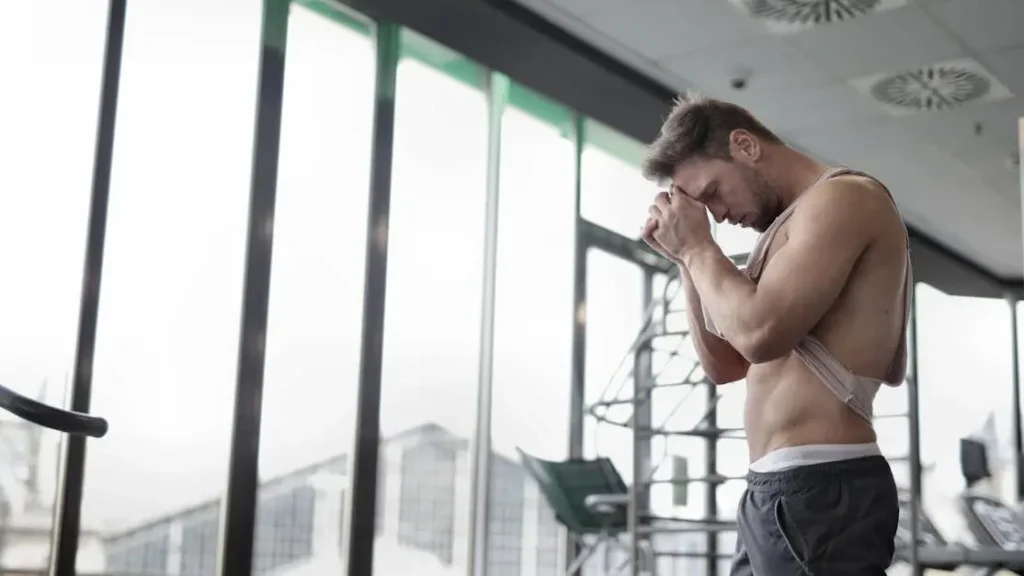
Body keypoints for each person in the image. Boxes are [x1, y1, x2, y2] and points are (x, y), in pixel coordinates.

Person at [640, 93, 909, 575]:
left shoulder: (844, 198)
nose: (717, 215)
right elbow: (725, 365)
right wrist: (686, 257)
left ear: (745, 146)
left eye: (713, 192)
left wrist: (700, 249)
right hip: (774, 491)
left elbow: (760, 333)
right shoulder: (782, 234)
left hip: (822, 487)